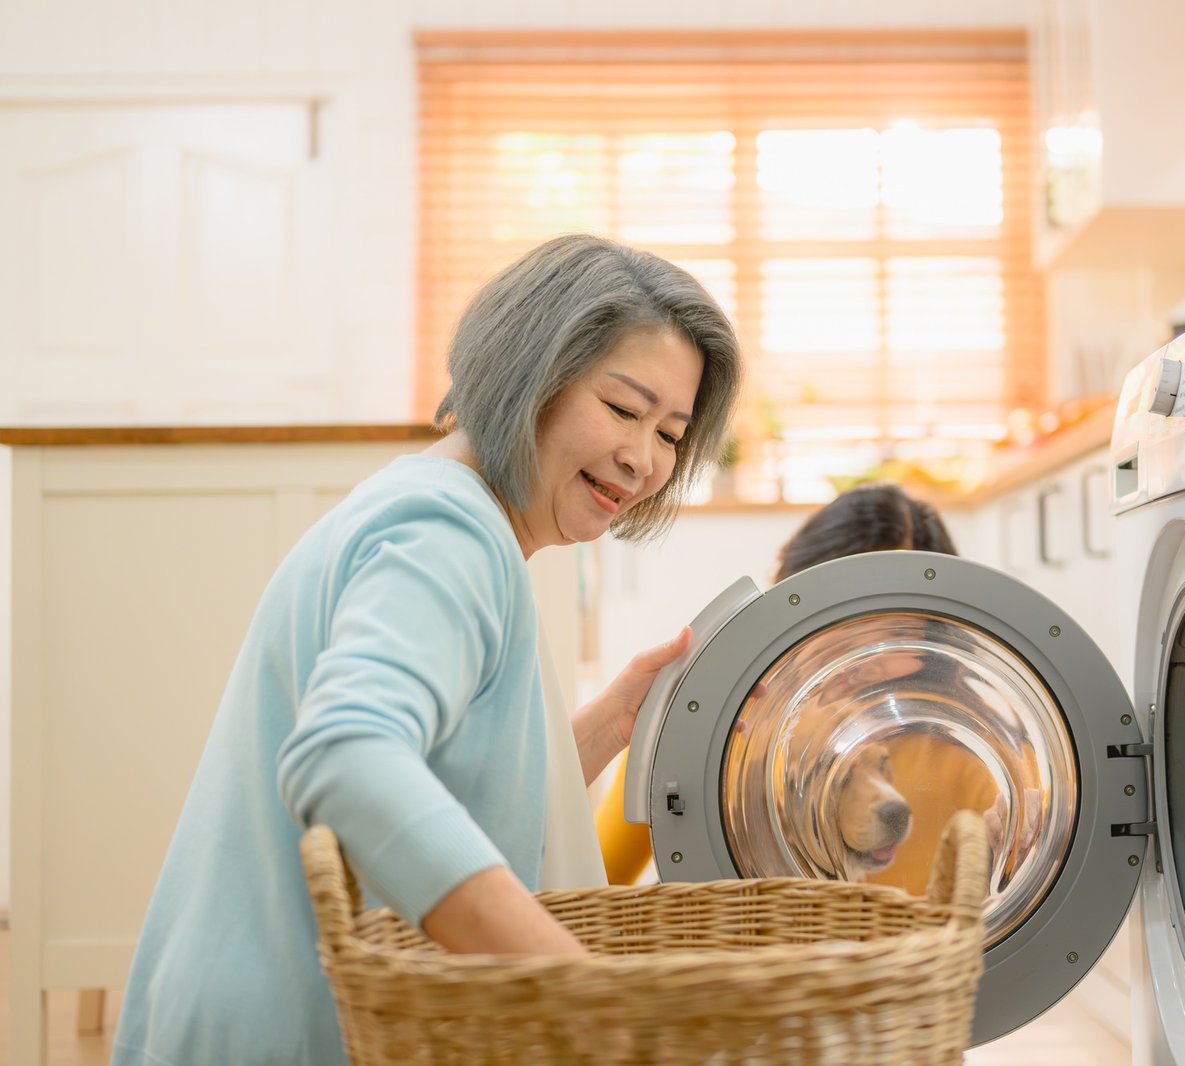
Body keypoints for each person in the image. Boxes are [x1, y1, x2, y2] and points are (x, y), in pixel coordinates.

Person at [112, 234, 741, 1066]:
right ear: (531, 371)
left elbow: (452, 774)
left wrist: (606, 725)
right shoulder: (447, 535)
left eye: (670, 432)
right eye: (624, 410)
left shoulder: (433, 509)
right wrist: (580, 993)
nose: (644, 459)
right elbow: (348, 756)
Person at [593, 481, 958, 886]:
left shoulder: (965, 756)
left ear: (932, 639)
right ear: (794, 601)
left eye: (899, 632)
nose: (867, 658)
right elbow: (597, 880)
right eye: (846, 624)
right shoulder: (712, 724)